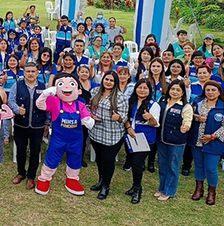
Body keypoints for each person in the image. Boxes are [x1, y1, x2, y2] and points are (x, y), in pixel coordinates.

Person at [35, 74, 94, 196]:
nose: (66, 88)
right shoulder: (55, 101)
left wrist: (88, 120)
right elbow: (40, 105)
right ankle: (44, 179)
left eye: (71, 84)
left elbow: (86, 116)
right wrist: (45, 93)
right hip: (58, 140)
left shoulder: (80, 105)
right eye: (61, 84)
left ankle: (72, 179)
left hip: (76, 141)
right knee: (51, 159)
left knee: (75, 160)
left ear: (78, 90)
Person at [189, 80, 224, 205]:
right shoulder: (197, 102)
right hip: (197, 141)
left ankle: (212, 192)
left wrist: (212, 136)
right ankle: (199, 188)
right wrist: (196, 117)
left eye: (213, 90)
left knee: (211, 168)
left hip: (214, 142)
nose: (210, 92)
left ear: (219, 92)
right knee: (198, 165)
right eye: (207, 90)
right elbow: (188, 115)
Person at [88, 71, 129, 200]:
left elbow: (124, 116)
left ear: (115, 82)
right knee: (99, 159)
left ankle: (106, 185)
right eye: (107, 79)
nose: (108, 82)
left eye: (111, 80)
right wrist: (90, 115)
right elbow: (88, 107)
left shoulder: (120, 97)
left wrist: (118, 117)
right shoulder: (95, 91)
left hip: (112, 134)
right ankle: (101, 180)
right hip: (96, 131)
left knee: (108, 160)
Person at [8, 62, 47, 190]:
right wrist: (18, 109)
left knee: (35, 152)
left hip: (38, 126)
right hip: (21, 125)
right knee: (21, 151)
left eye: (33, 71)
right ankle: (21, 173)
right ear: (24, 73)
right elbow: (10, 101)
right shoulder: (17, 85)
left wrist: (47, 123)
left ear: (37, 73)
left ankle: (31, 177)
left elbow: (48, 107)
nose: (30, 73)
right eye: (28, 71)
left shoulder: (43, 87)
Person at [155, 79, 192, 201]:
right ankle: (162, 188)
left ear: (182, 93)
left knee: (173, 166)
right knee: (162, 164)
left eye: (178, 90)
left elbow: (187, 120)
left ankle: (169, 191)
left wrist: (185, 127)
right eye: (172, 89)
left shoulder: (186, 106)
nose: (175, 92)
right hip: (162, 139)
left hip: (177, 142)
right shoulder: (163, 101)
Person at [124, 79, 160, 204]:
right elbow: (126, 118)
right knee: (133, 161)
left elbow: (155, 124)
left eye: (145, 88)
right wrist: (128, 127)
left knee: (136, 163)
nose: (142, 90)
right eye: (140, 87)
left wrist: (150, 117)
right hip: (131, 137)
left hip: (144, 139)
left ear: (150, 90)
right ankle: (134, 186)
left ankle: (137, 189)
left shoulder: (153, 105)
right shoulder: (130, 102)